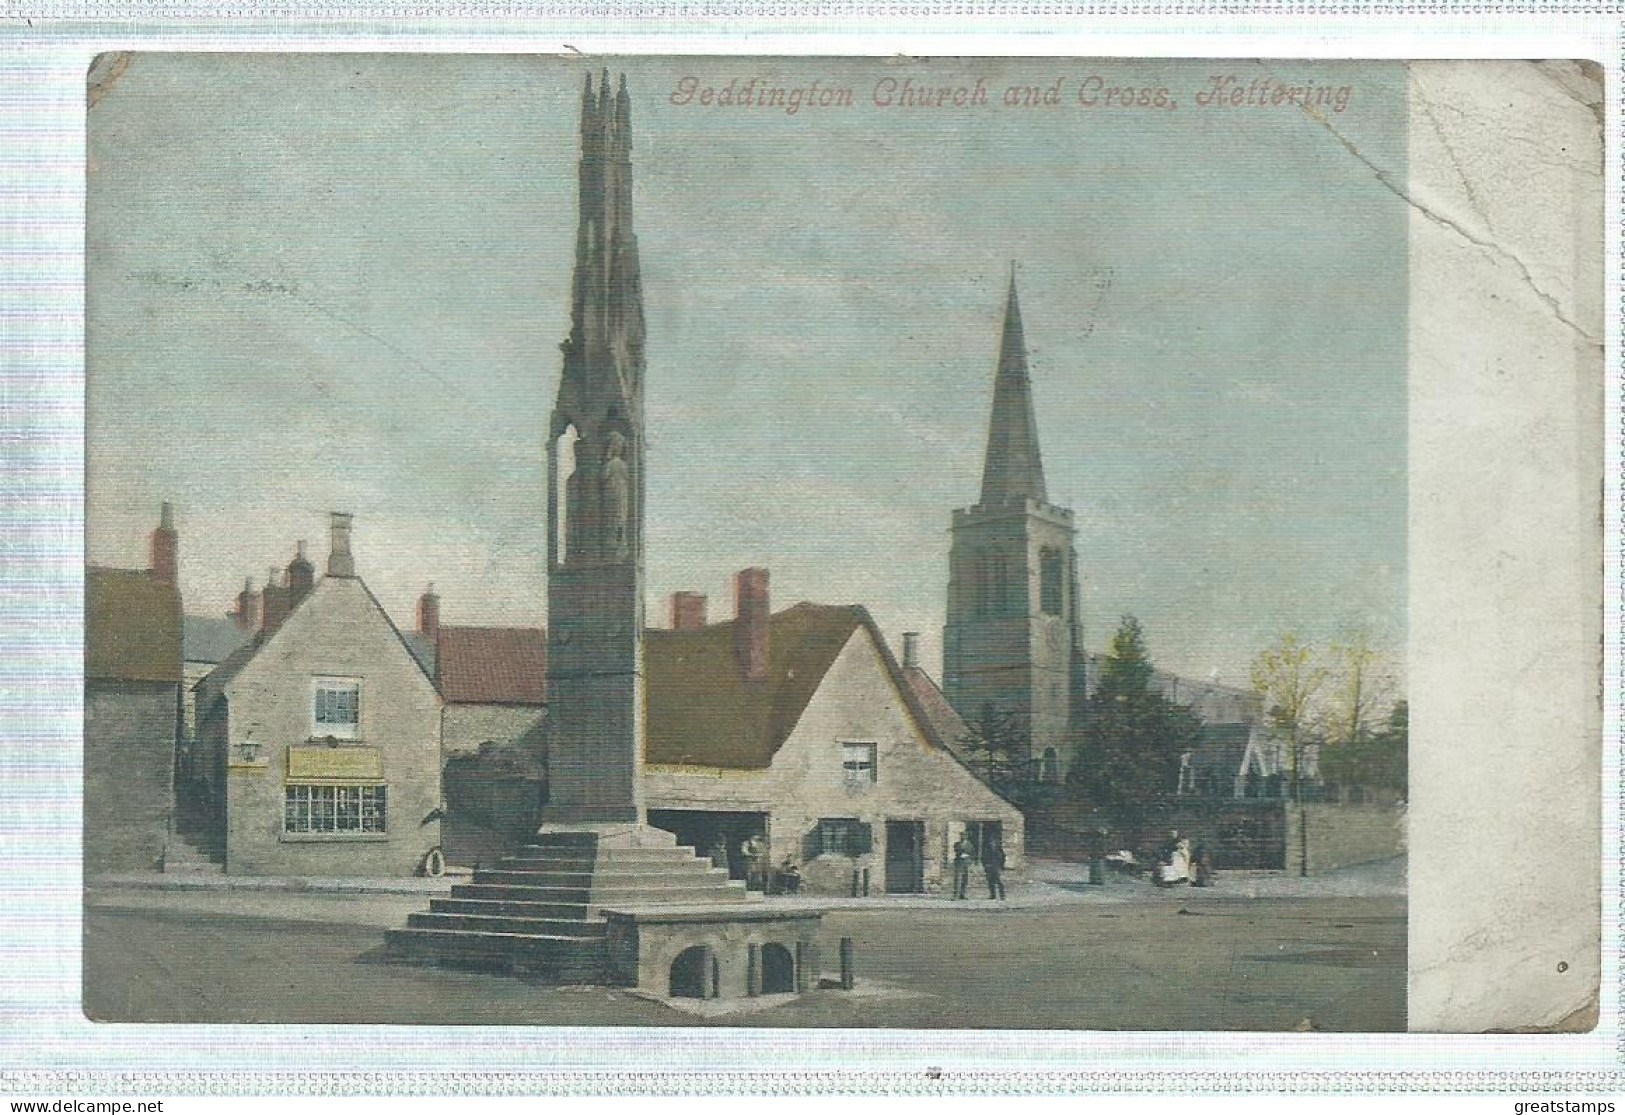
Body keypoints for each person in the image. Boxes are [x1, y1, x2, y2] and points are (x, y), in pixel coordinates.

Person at [952, 836, 971, 900]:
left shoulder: (969, 844)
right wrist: (963, 853)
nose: (963, 838)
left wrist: (968, 856)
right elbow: (957, 851)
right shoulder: (957, 844)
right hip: (959, 863)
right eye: (962, 836)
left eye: (964, 836)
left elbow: (972, 852)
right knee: (958, 879)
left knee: (965, 880)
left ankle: (962, 894)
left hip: (965, 863)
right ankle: (955, 895)